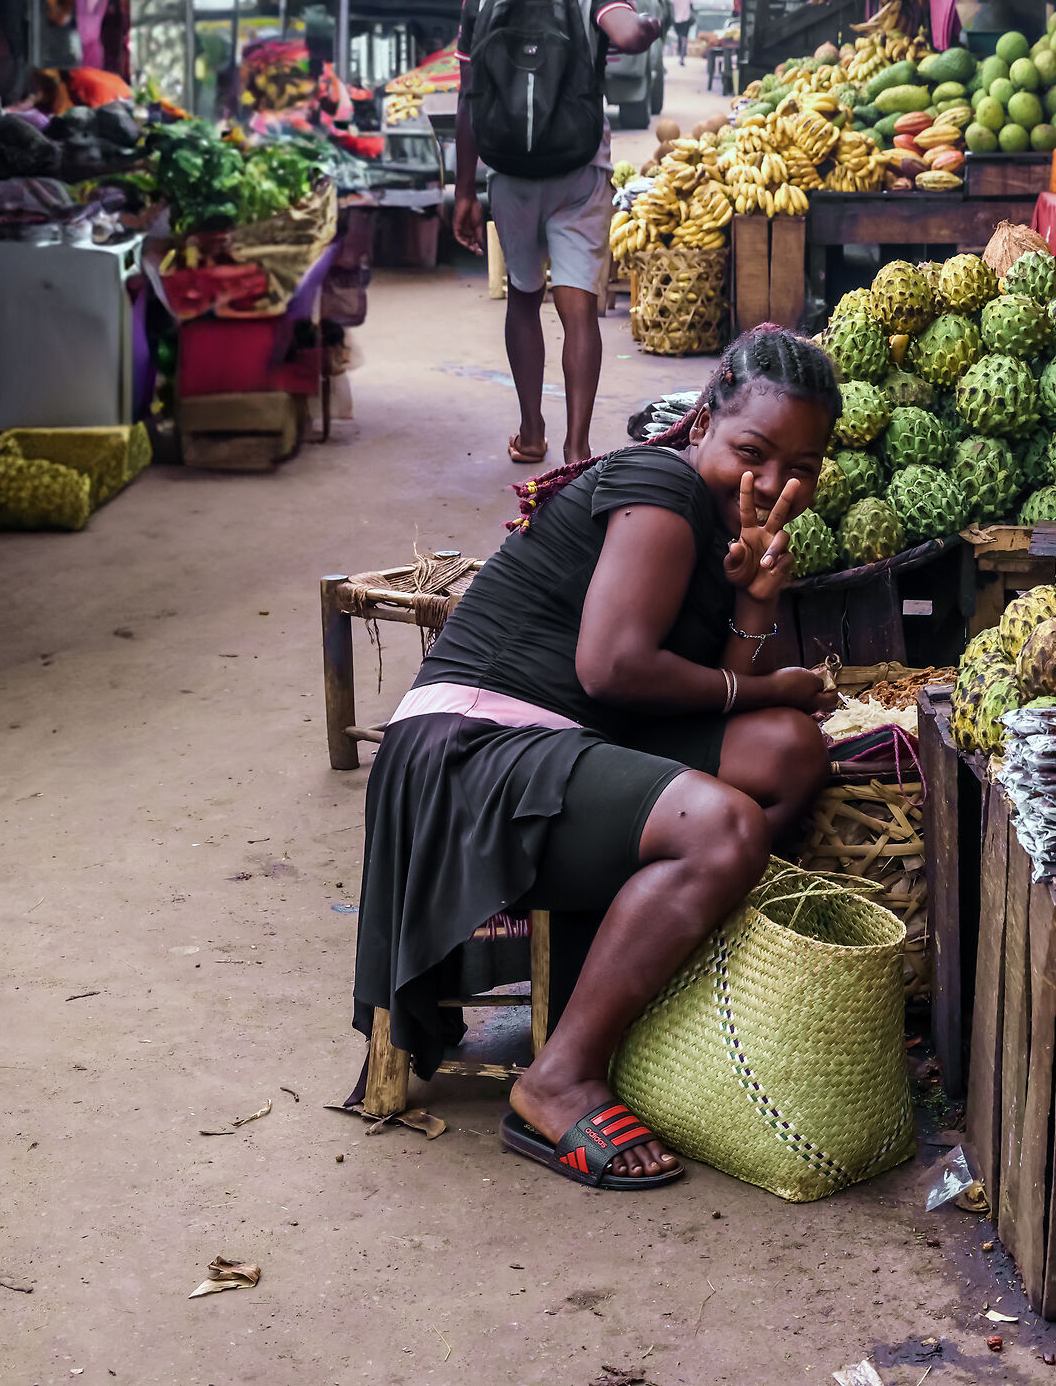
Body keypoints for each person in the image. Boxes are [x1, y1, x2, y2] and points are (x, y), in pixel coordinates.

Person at [352, 326, 842, 1189]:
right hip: (475, 753)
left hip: (567, 738)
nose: (772, 484)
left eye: (800, 468)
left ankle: (631, 976)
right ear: (701, 423)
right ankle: (558, 1077)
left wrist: (756, 602)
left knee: (791, 754)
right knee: (724, 828)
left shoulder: (719, 522)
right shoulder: (658, 485)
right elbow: (612, 667)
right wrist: (774, 685)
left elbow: (714, 699)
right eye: (753, 452)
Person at [452, 0, 665, 468]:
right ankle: (576, 447)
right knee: (577, 306)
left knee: (523, 297)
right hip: (578, 170)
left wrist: (465, 188)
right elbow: (626, 31)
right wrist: (648, 27)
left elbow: (470, 95)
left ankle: (531, 433)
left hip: (511, 174)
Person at [668, 0, 695, 67]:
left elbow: (671, 8)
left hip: (676, 20)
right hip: (686, 19)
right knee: (684, 39)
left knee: (680, 37)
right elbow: (692, 6)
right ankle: (682, 58)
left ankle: (681, 56)